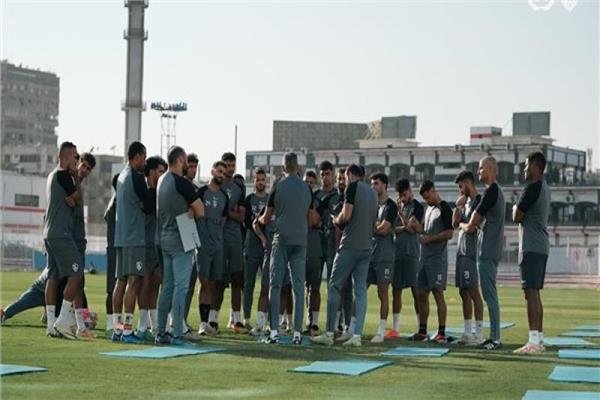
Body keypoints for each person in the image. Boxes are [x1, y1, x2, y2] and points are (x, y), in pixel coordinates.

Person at [311, 164, 378, 347]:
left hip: (349, 246)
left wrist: (336, 220)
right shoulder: (373, 193)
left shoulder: (352, 187)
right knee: (360, 291)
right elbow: (374, 223)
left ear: (349, 174)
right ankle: (356, 335)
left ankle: (329, 333)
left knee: (334, 286)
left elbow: (346, 216)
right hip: (366, 247)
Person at [259, 152, 312, 344]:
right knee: (298, 288)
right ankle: (297, 333)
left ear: (283, 168)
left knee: (275, 285)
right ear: (297, 167)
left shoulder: (278, 185)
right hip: (300, 239)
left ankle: (274, 331)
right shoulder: (307, 188)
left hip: (281, 239)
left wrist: (258, 219)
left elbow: (266, 217)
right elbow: (309, 215)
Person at [155, 146, 204, 346]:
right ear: (180, 160)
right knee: (181, 287)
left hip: (164, 235)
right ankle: (177, 334)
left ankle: (161, 332)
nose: (187, 165)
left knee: (167, 286)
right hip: (181, 236)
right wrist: (190, 210)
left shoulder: (161, 180)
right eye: (185, 161)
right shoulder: (181, 182)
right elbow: (201, 210)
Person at [460, 156, 505, 350]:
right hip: (490, 249)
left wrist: (461, 225)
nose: (478, 172)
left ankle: (495, 338)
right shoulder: (496, 191)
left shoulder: (491, 191)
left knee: (489, 296)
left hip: (487, 250)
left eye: (480, 168)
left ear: (490, 169)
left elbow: (472, 224)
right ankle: (493, 336)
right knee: (489, 295)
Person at [43, 141, 84, 339]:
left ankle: (51, 324)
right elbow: (78, 199)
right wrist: (76, 178)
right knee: (76, 273)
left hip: (49, 232)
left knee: (53, 277)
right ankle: (62, 322)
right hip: (61, 233)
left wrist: (73, 199)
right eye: (75, 156)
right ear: (66, 156)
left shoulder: (51, 176)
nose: (77, 160)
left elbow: (73, 200)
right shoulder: (64, 176)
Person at [112, 141, 152, 343]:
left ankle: (117, 329)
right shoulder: (136, 176)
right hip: (134, 237)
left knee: (121, 281)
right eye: (144, 157)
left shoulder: (121, 176)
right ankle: (127, 331)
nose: (145, 162)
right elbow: (149, 204)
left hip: (121, 237)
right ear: (137, 156)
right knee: (133, 281)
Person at [513, 151, 550, 354]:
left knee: (531, 292)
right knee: (534, 292)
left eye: (527, 165)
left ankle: (534, 340)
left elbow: (516, 216)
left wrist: (515, 207)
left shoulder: (532, 187)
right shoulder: (544, 187)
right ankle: (539, 338)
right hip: (540, 245)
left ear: (536, 166)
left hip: (531, 246)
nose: (524, 169)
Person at [411, 180, 454, 344]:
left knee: (437, 294)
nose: (427, 201)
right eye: (424, 199)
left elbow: (449, 233)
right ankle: (422, 331)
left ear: (434, 191)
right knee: (421, 293)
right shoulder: (428, 209)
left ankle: (441, 332)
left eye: (428, 197)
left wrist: (429, 239)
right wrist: (418, 229)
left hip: (437, 259)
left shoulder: (445, 208)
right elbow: (426, 231)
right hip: (424, 258)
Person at [212, 152, 247, 334]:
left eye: (233, 165)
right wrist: (229, 211)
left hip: (235, 239)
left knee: (236, 279)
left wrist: (226, 212)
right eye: (227, 165)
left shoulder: (239, 188)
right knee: (217, 281)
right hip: (218, 239)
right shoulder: (215, 187)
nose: (230, 169)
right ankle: (213, 320)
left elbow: (241, 217)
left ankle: (236, 320)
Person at [386, 179, 423, 339]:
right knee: (396, 290)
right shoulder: (395, 207)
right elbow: (391, 229)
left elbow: (411, 228)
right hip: (397, 253)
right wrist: (402, 227)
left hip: (411, 253)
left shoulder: (417, 207)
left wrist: (401, 216)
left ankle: (421, 327)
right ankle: (395, 328)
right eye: (400, 195)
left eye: (404, 194)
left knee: (416, 290)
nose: (402, 197)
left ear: (409, 191)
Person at [135, 156, 167, 341]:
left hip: (158, 244)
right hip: (145, 244)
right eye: (160, 171)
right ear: (152, 171)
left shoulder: (161, 191)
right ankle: (141, 326)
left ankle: (155, 325)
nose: (163, 175)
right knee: (145, 284)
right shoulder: (145, 191)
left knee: (155, 284)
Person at [196, 161, 229, 336]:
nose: (221, 175)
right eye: (219, 171)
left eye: (224, 173)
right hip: (203, 246)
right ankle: (202, 323)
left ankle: (208, 322)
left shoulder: (224, 197)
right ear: (212, 171)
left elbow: (222, 221)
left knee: (213, 284)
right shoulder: (201, 192)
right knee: (204, 283)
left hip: (217, 246)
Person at [453, 170, 485, 346]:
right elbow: (454, 223)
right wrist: (457, 207)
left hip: (471, 253)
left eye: (461, 186)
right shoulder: (465, 203)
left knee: (473, 292)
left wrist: (462, 224)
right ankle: (467, 333)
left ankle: (478, 334)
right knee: (463, 292)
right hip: (461, 251)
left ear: (467, 183)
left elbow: (471, 228)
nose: (460, 190)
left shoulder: (478, 201)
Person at [368, 172, 397, 343]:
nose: (373, 187)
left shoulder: (391, 206)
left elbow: (384, 229)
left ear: (384, 185)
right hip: (369, 254)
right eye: (372, 184)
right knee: (360, 289)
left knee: (383, 292)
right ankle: (352, 328)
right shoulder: (371, 204)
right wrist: (375, 227)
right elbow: (376, 228)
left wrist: (372, 227)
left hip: (385, 255)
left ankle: (381, 332)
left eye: (376, 183)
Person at [69, 152, 96, 339]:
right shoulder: (69, 181)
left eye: (88, 168)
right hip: (68, 239)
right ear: (77, 162)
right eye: (83, 165)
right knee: (70, 280)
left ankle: (77, 323)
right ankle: (68, 321)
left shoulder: (79, 184)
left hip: (78, 239)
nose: (84, 170)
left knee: (78, 282)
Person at [242, 168, 269, 330]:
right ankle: (246, 319)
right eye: (258, 179)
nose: (260, 182)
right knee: (248, 285)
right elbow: (247, 223)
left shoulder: (270, 199)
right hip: (251, 247)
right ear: (253, 181)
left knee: (266, 285)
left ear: (266, 181)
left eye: (263, 179)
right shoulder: (248, 200)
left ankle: (264, 319)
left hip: (266, 249)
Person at [303, 170, 324, 336]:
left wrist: (311, 212)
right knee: (301, 287)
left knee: (315, 286)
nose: (309, 185)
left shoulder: (319, 200)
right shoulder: (297, 198)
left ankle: (315, 323)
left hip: (315, 246)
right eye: (306, 182)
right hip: (299, 245)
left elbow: (316, 221)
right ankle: (306, 321)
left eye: (311, 182)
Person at [182, 153, 200, 335]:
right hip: (179, 236)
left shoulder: (196, 189)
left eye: (195, 166)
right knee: (178, 283)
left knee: (190, 283)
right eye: (191, 166)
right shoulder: (179, 185)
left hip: (191, 237)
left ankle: (182, 319)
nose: (193, 170)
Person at [104, 173, 119, 336]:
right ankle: (113, 325)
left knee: (113, 287)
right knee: (115, 288)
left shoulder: (113, 201)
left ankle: (113, 324)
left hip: (112, 247)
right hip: (117, 248)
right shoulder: (117, 202)